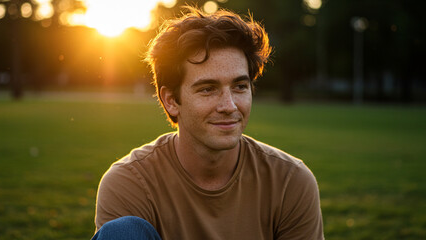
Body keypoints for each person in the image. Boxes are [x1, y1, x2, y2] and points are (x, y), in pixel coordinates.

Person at [93, 6, 324, 240]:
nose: (230, 106)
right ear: (171, 100)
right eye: (208, 89)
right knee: (122, 231)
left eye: (240, 87)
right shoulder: (130, 182)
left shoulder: (290, 181)